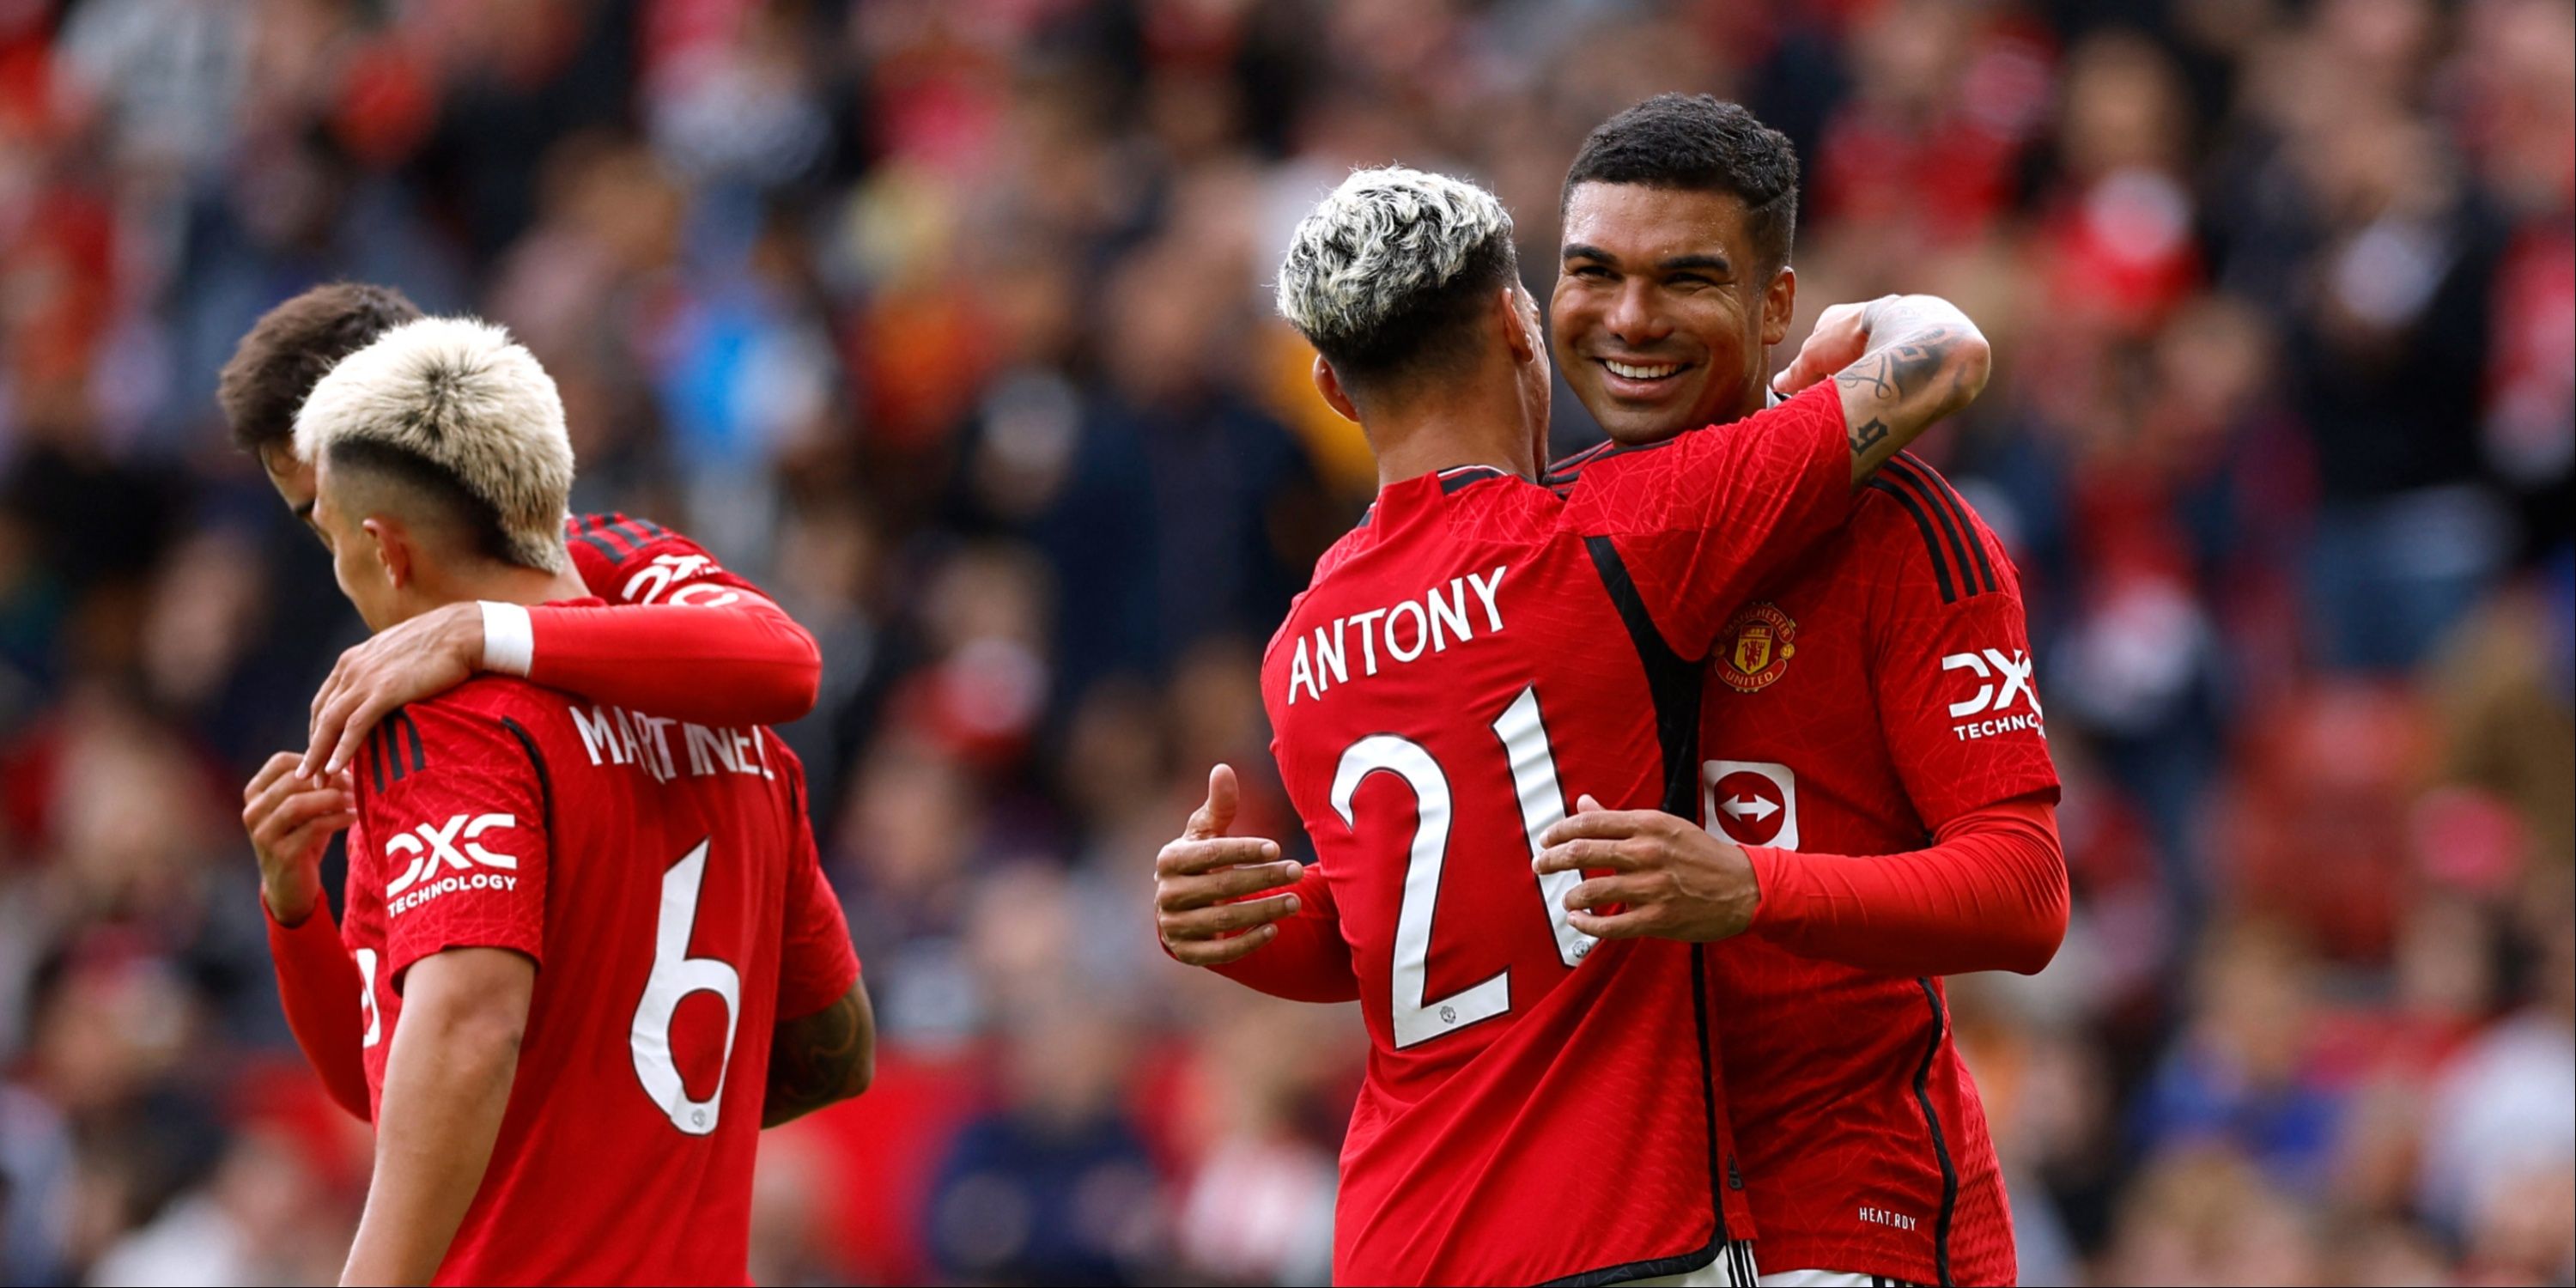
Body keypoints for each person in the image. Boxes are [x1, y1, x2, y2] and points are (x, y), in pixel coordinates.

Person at [1162, 96, 2063, 1288]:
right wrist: (1267, 919)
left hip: (1849, 1215)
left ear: (1775, 303)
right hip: (1643, 1228)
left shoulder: (1896, 525)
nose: (1631, 318)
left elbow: (2024, 892)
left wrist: (1750, 887)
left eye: (1686, 277)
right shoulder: (1567, 539)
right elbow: (1455, 920)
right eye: (1594, 272)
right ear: (1531, 312)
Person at [290, 315, 870, 1283]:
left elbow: (470, 1029)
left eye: (331, 542)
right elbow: (834, 1052)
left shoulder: (449, 723)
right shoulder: (739, 737)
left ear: (387, 551)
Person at [221, 283, 838, 1127]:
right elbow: (380, 1083)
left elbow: (787, 666)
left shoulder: (605, 563)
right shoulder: (393, 692)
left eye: (332, 509)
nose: (342, 543)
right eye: (315, 523)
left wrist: (487, 631)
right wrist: (295, 911)